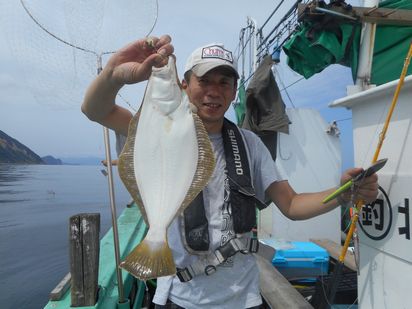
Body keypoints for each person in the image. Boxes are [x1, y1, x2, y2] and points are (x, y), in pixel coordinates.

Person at [81, 35, 378, 309]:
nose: (214, 91)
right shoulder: (151, 128)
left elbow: (291, 204)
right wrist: (114, 74)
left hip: (244, 297)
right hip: (180, 296)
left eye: (224, 82)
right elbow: (94, 109)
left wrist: (343, 194)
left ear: (234, 91)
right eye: (204, 80)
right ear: (184, 86)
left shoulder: (250, 144)